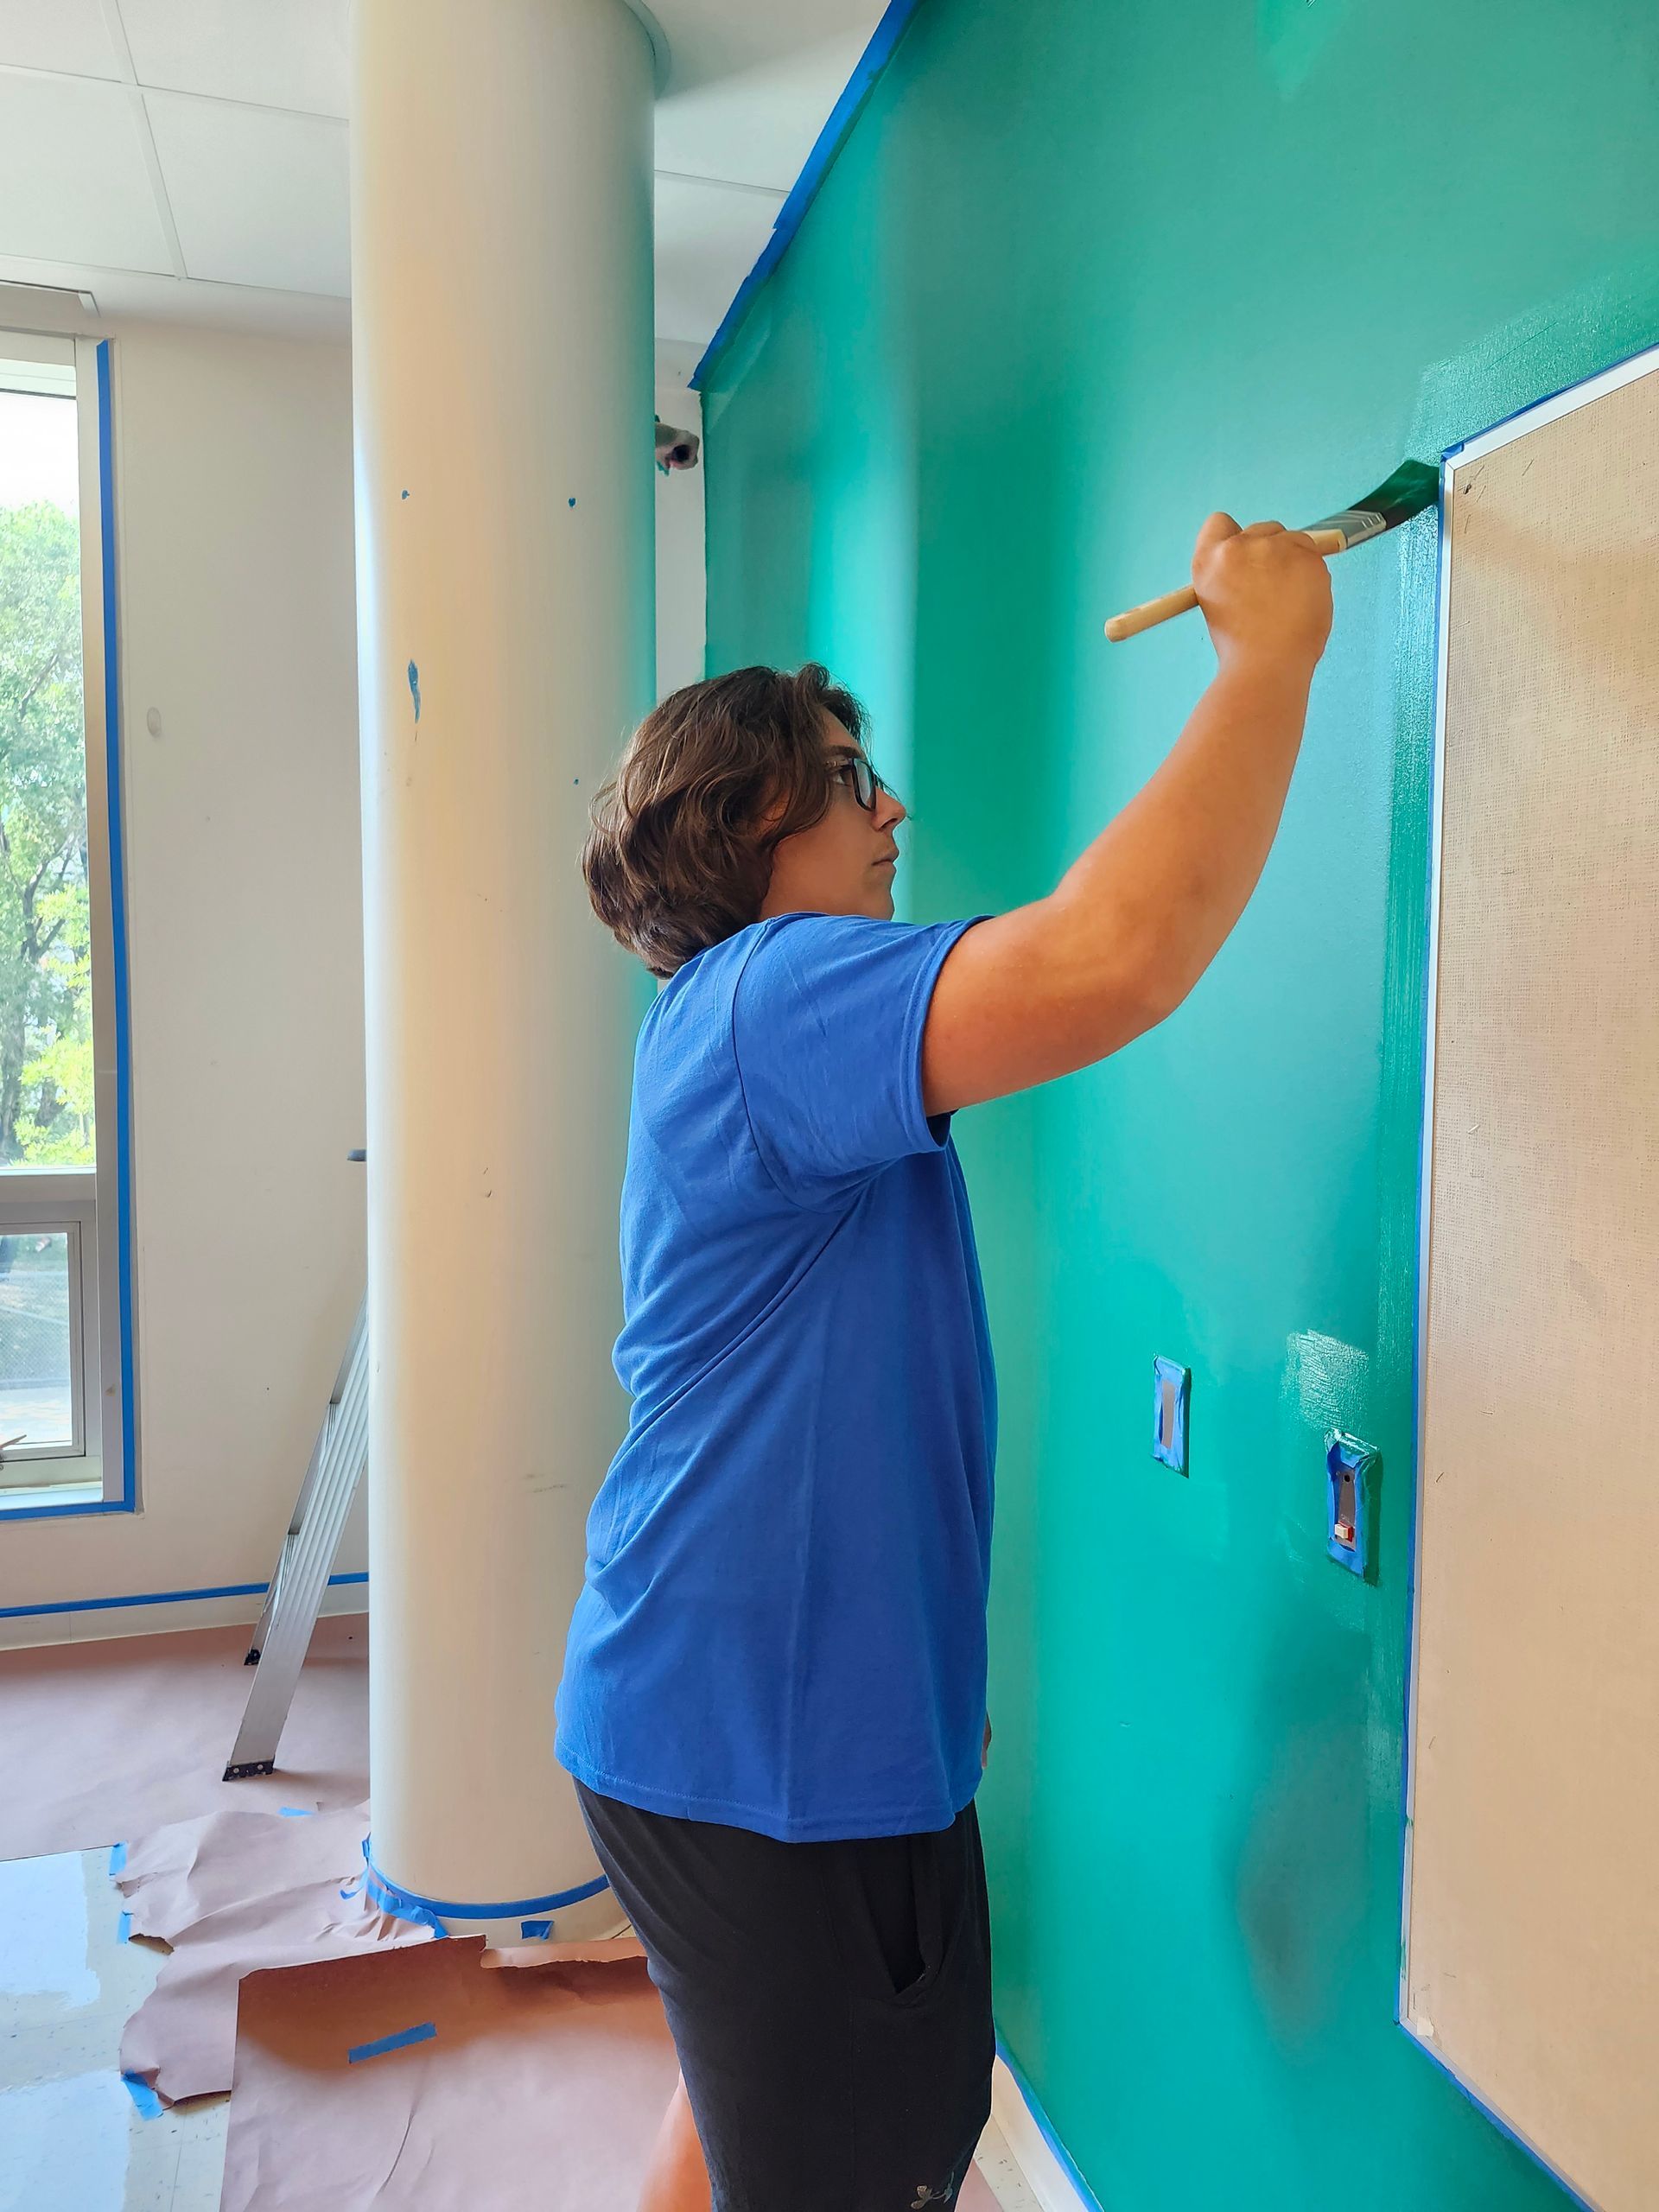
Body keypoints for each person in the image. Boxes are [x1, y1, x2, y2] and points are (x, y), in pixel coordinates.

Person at [553, 513, 1333, 2210]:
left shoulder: (758, 1022)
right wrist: (1266, 660)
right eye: (848, 776)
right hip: (753, 1746)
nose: (890, 806)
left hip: (775, 1728)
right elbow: (1110, 956)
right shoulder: (770, 993)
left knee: (783, 2117)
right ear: (744, 817)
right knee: (863, 2159)